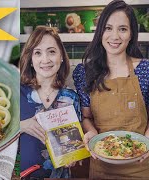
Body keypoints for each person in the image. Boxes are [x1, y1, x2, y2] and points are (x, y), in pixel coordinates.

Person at [73, 0, 149, 179]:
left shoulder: (145, 70)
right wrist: (90, 132)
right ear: (100, 32)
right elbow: (86, 116)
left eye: (122, 29)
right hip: (101, 166)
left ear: (131, 34)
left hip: (142, 164)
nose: (114, 36)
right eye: (108, 28)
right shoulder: (85, 72)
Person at [20, 26, 82, 179]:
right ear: (31, 60)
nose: (45, 59)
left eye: (52, 51)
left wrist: (72, 156)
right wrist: (21, 126)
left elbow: (74, 144)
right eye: (38, 53)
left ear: (61, 56)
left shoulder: (71, 97)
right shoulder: (17, 92)